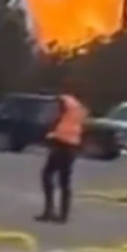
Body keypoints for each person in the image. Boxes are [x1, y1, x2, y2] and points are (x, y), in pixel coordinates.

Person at [36, 90, 88, 224]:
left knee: (47, 175)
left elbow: (57, 115)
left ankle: (49, 210)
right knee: (64, 181)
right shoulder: (80, 109)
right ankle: (63, 215)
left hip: (61, 144)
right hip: (72, 146)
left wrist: (50, 131)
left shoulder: (65, 102)